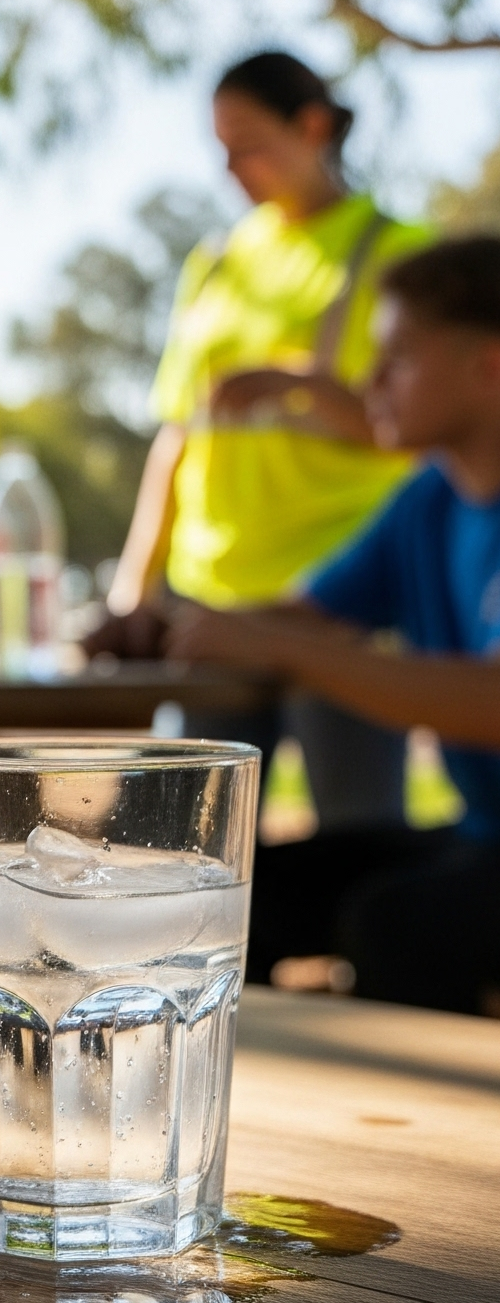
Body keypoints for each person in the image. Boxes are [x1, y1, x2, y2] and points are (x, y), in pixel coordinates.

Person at [94, 52, 432, 830]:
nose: (229, 168)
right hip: (210, 604)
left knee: (357, 839)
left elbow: (419, 432)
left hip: (339, 604)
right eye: (218, 147)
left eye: (246, 143)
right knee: (184, 845)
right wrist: (134, 587)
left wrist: (296, 384)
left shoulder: (394, 251)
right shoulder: (214, 263)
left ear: (311, 126)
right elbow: (176, 436)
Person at [168, 237, 500, 1016]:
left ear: (488, 365)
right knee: (240, 895)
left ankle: (430, 1100)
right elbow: (298, 613)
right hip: (481, 834)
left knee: (395, 925)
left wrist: (281, 649)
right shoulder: (427, 501)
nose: (368, 382)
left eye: (397, 358)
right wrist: (166, 623)